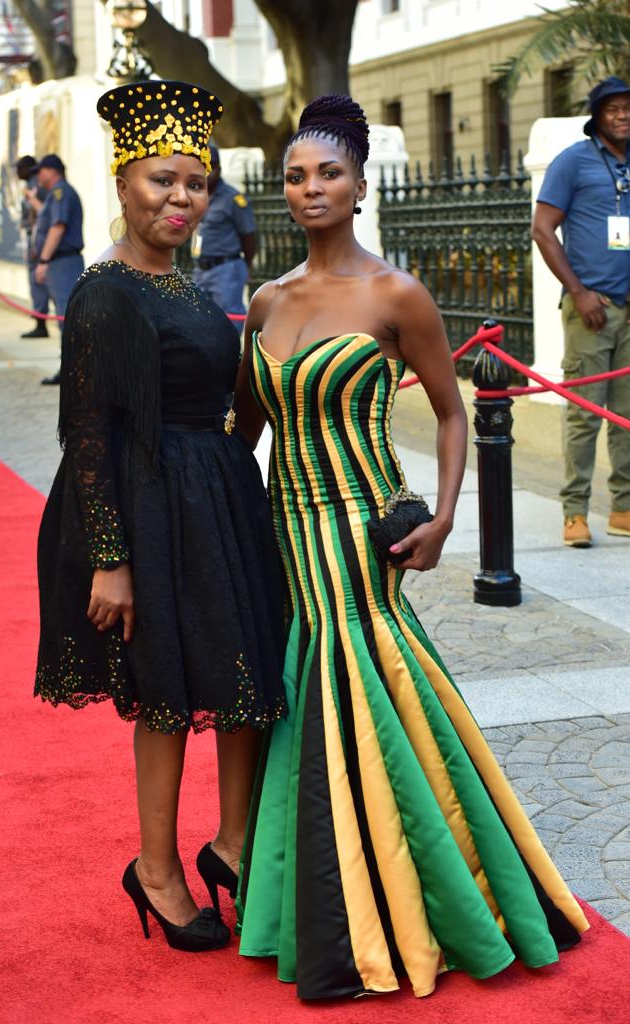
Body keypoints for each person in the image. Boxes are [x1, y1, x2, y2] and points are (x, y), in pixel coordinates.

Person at [234, 95, 588, 1000]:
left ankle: (397, 910)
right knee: (310, 694)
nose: (310, 189)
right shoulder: (266, 299)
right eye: (296, 177)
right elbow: (238, 431)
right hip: (286, 530)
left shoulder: (396, 294)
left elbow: (450, 410)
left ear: (359, 186)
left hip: (361, 532)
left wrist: (442, 521)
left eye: (329, 175)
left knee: (361, 685)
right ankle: (333, 901)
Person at [34, 80, 286, 954]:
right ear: (122, 183)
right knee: (171, 693)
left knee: (250, 680)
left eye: (195, 183)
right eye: (161, 181)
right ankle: (158, 868)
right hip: (147, 510)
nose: (180, 199)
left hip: (218, 496)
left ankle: (235, 845)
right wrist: (110, 557)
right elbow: (87, 433)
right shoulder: (103, 294)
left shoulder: (188, 287)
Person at [532, 76, 630, 548]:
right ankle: (574, 512)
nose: (623, 115)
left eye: (628, 107)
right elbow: (543, 230)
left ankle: (623, 509)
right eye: (613, 108)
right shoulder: (573, 161)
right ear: (598, 116)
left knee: (628, 415)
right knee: (584, 415)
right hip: (592, 309)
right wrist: (579, 291)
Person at [31, 154, 85, 386]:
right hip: (59, 263)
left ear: (52, 171)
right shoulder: (55, 194)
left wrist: (43, 261)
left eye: (40, 171)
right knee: (64, 318)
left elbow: (57, 227)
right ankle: (71, 369)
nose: (37, 176)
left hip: (63, 263)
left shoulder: (61, 192)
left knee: (67, 318)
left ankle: (73, 372)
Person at [191, 144, 255, 330]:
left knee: (229, 322)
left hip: (226, 269)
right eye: (203, 168)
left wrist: (247, 265)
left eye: (211, 167)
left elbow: (249, 236)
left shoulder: (233, 199)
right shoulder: (195, 195)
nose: (207, 173)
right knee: (200, 320)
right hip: (200, 269)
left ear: (219, 169)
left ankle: (232, 358)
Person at [15, 155, 50, 338]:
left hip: (39, 240)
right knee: (35, 282)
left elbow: (45, 212)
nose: (17, 172)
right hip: (32, 239)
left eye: (20, 168)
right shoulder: (30, 185)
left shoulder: (38, 186)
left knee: (40, 281)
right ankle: (39, 321)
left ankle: (41, 323)